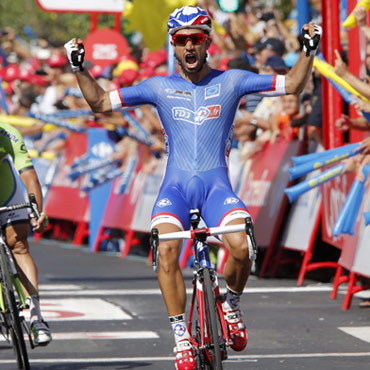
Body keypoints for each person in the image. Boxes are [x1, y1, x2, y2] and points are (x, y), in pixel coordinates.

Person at [64, 6, 322, 369]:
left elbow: (292, 85)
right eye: (182, 40)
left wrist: (309, 52)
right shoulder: (159, 87)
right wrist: (79, 69)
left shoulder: (232, 80)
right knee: (166, 250)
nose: (189, 46)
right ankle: (181, 335)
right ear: (173, 45)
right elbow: (100, 102)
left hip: (217, 188)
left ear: (207, 43)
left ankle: (230, 304)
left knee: (242, 246)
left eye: (196, 39)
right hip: (176, 189)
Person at [0, 121, 52, 346]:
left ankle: (36, 316)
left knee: (18, 242)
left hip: (5, 189)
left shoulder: (7, 132)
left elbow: (29, 175)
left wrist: (37, 212)